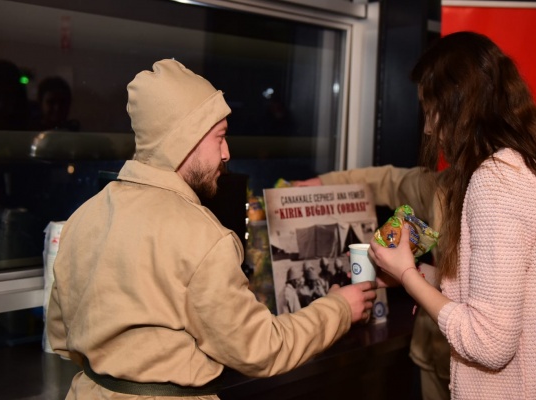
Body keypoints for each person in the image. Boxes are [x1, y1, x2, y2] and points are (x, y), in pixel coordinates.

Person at [47, 59, 377, 399]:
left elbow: (61, 337)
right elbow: (262, 349)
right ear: (183, 140)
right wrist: (338, 308)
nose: (226, 153)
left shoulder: (83, 217)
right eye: (219, 137)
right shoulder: (202, 237)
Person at [367, 32, 536, 399]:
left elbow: (489, 343)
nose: (428, 128)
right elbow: (513, 292)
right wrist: (417, 276)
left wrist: (409, 276)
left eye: (431, 111)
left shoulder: (495, 181)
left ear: (459, 104)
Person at [294, 167, 449, 400]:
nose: (428, 130)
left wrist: (407, 274)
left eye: (437, 127)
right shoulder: (444, 187)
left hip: (476, 368)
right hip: (431, 351)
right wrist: (325, 182)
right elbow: (389, 181)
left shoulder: (506, 199)